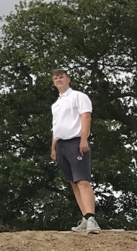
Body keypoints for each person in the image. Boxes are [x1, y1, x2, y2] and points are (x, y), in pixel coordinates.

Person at [51, 68, 100, 234]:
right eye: (56, 78)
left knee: (82, 180)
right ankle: (85, 218)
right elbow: (56, 126)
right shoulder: (56, 104)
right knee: (73, 182)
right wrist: (53, 147)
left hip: (75, 141)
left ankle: (92, 218)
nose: (58, 80)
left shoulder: (78, 96)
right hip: (61, 144)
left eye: (61, 77)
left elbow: (85, 116)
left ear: (68, 79)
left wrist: (84, 138)